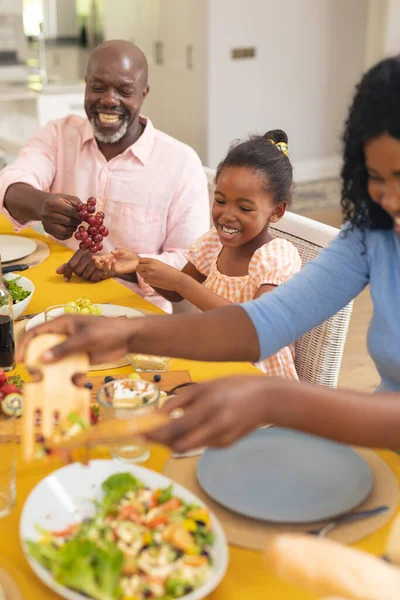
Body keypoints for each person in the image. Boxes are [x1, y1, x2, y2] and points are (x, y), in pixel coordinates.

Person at [18, 56, 400, 453]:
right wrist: (125, 332)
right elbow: (267, 322)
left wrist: (274, 399)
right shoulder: (373, 233)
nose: (389, 200)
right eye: (375, 177)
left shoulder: (276, 253)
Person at [0, 40, 209, 311]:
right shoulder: (59, 135)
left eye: (124, 91)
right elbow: (11, 181)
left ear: (144, 94)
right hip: (58, 293)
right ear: (86, 84)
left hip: (137, 311)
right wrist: (42, 206)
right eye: (98, 87)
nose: (109, 99)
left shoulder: (181, 164)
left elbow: (189, 268)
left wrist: (121, 268)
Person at [92, 129, 302, 378]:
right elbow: (173, 293)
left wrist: (181, 282)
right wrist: (139, 264)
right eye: (221, 201)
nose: (227, 215)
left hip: (258, 381)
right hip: (214, 362)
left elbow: (251, 328)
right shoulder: (214, 243)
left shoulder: (276, 257)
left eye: (244, 207)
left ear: (276, 212)